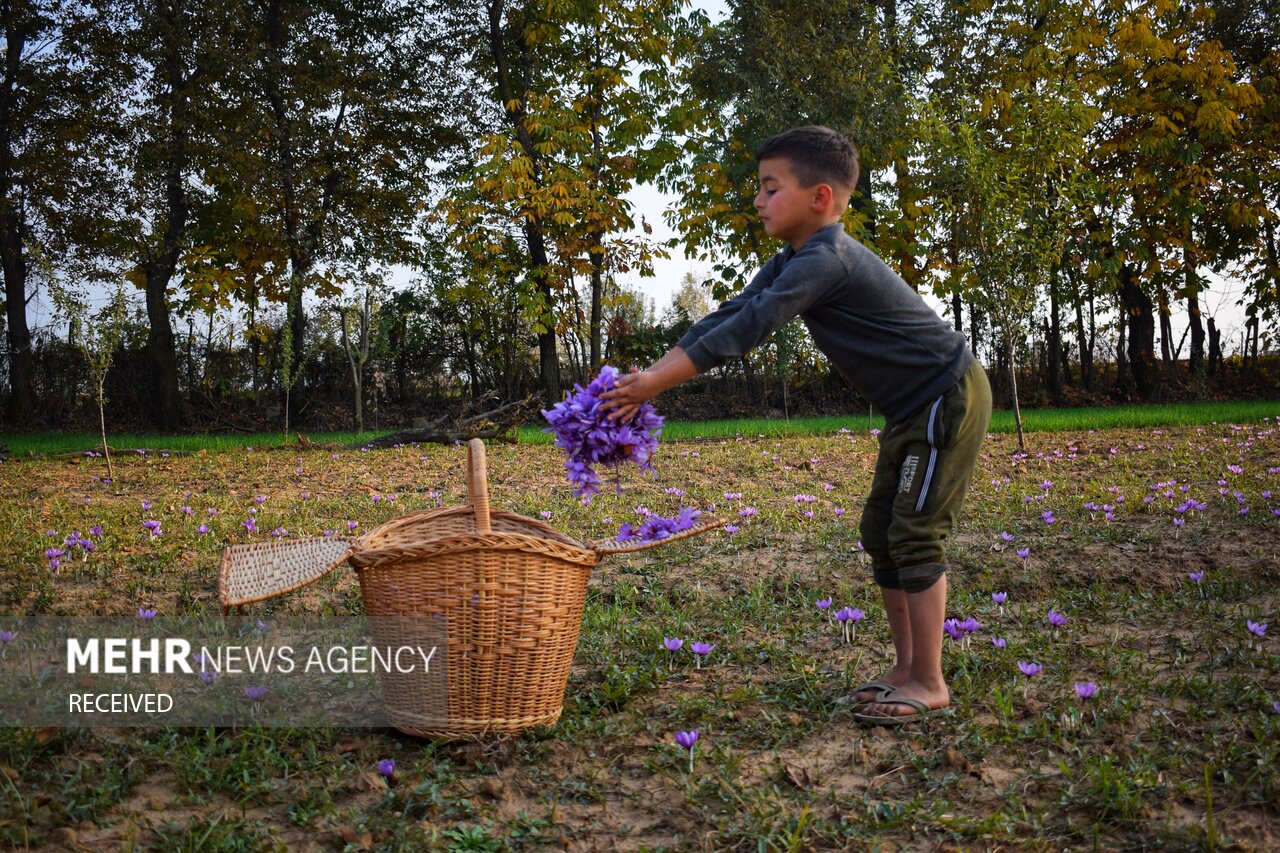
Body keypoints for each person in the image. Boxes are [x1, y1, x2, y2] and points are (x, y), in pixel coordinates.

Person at [599, 125, 992, 724]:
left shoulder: (827, 258)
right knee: (880, 530)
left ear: (820, 198)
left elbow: (749, 330)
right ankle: (906, 669)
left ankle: (930, 681)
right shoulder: (794, 259)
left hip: (946, 395)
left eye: (769, 186)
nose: (757, 200)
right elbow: (730, 313)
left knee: (914, 533)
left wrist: (653, 384)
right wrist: (646, 376)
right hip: (912, 406)